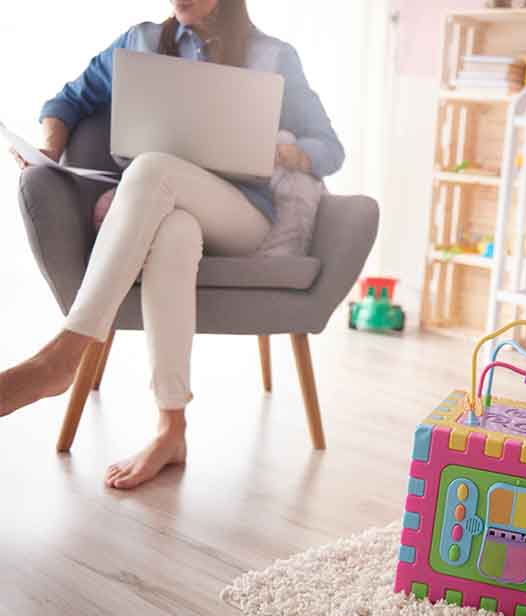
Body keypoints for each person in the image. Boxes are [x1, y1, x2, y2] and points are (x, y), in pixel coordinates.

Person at [1, 0, 344, 490]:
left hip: (241, 217)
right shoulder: (138, 42)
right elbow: (65, 102)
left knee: (150, 168)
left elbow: (330, 146)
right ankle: (171, 428)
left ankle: (61, 358)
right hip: (163, 210)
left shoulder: (274, 56)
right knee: (174, 230)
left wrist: (289, 151)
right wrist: (48, 148)